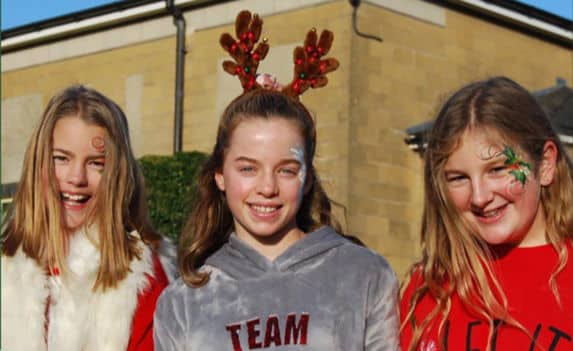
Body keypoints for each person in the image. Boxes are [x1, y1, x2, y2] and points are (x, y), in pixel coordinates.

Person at [154, 87, 400, 350]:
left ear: (306, 180)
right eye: (248, 168)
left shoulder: (363, 274)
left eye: (286, 170)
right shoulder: (183, 303)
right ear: (220, 175)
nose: (268, 187)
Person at [400, 76, 573, 351]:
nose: (479, 197)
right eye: (458, 178)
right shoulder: (427, 287)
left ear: (546, 165)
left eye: (497, 169)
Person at [1, 85, 174, 351]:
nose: (76, 178)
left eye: (96, 164)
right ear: (38, 163)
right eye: (61, 158)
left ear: (117, 176)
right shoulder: (7, 266)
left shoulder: (140, 277)